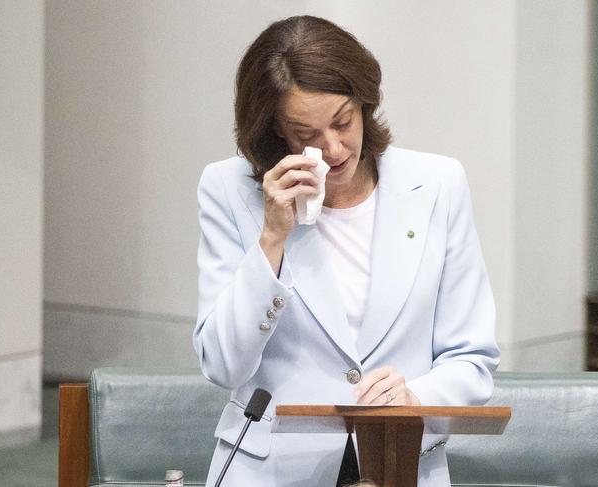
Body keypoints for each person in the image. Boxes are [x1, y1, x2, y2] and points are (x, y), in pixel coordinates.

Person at [193, 15, 499, 487]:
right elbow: (222, 364)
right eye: (305, 133)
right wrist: (271, 238)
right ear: (274, 131)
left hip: (398, 460)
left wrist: (414, 397)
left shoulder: (437, 184)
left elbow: (472, 358)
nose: (333, 149)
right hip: (272, 469)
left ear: (364, 104)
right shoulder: (229, 189)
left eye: (342, 122)